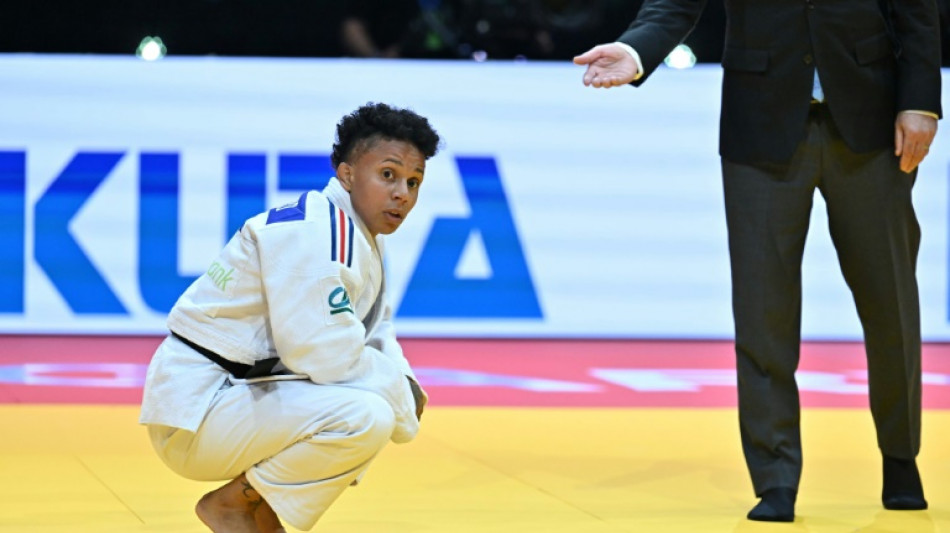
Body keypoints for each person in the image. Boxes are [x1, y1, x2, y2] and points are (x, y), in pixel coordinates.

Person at [574, 0, 941, 523]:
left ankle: (901, 458)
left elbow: (917, 12)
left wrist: (921, 101)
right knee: (762, 310)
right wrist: (637, 49)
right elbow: (674, 3)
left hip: (874, 120)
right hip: (759, 123)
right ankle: (775, 479)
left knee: (892, 305)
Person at [139, 102, 440, 532]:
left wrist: (405, 387)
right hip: (198, 414)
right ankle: (231, 506)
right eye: (388, 175)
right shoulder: (317, 235)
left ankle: (264, 518)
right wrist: (398, 395)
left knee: (374, 406)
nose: (402, 194)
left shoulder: (352, 232)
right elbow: (323, 357)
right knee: (365, 416)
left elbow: (376, 331)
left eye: (414, 182)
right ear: (347, 173)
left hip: (231, 400)